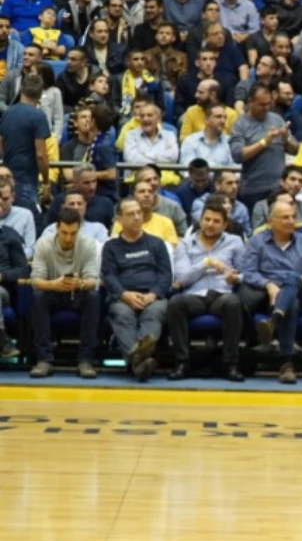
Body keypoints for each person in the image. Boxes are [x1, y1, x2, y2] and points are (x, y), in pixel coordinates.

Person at [237, 200, 302, 383]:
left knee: (293, 278)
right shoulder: (257, 242)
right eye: (285, 217)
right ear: (271, 221)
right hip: (268, 296)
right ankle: (287, 364)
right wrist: (268, 284)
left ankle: (274, 321)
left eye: (293, 217)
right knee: (290, 303)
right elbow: (248, 272)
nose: (291, 221)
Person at [166, 198, 246, 382]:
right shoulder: (185, 244)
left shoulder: (235, 242)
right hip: (195, 295)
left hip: (222, 293)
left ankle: (231, 364)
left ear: (225, 225)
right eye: (207, 219)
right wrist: (205, 264)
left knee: (233, 302)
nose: (210, 224)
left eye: (216, 221)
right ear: (200, 221)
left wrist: (236, 278)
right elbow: (182, 278)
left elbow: (245, 273)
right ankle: (182, 362)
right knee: (175, 304)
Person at [103, 198, 174, 382]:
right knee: (122, 314)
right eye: (130, 214)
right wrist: (124, 294)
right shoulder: (110, 247)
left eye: (138, 213)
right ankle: (141, 362)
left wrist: (153, 294)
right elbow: (109, 276)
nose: (136, 217)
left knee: (156, 311)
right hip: (122, 298)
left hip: (152, 296)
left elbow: (165, 275)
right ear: (119, 219)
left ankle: (136, 362)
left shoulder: (157, 244)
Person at [28, 208, 102, 379]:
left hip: (78, 293)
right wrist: (53, 284)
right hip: (52, 291)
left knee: (94, 297)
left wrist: (81, 283)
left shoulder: (89, 244)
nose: (68, 238)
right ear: (56, 228)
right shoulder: (43, 244)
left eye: (73, 233)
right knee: (37, 297)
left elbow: (93, 281)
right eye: (64, 233)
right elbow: (35, 280)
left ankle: (86, 360)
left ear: (79, 230)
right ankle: (44, 359)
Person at [0, 74, 51, 213]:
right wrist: (46, 182)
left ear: (21, 89)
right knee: (27, 218)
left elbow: (1, 145)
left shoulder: (7, 113)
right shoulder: (38, 116)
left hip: (7, 177)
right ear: (40, 94)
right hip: (27, 178)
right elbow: (41, 154)